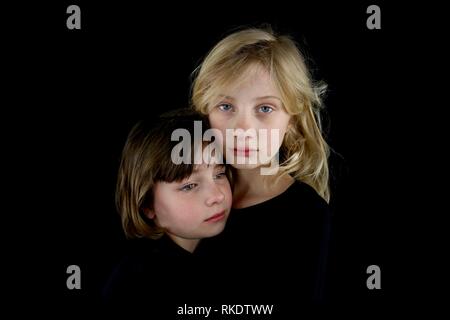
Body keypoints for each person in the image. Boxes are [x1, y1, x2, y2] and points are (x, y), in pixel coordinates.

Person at [191, 27, 333, 308]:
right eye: (226, 106)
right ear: (205, 112)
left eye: (265, 109)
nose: (243, 129)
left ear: (291, 121)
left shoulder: (309, 218)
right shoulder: (186, 196)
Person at [102, 109, 233, 313]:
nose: (218, 196)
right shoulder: (138, 285)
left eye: (219, 173)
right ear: (147, 204)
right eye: (189, 186)